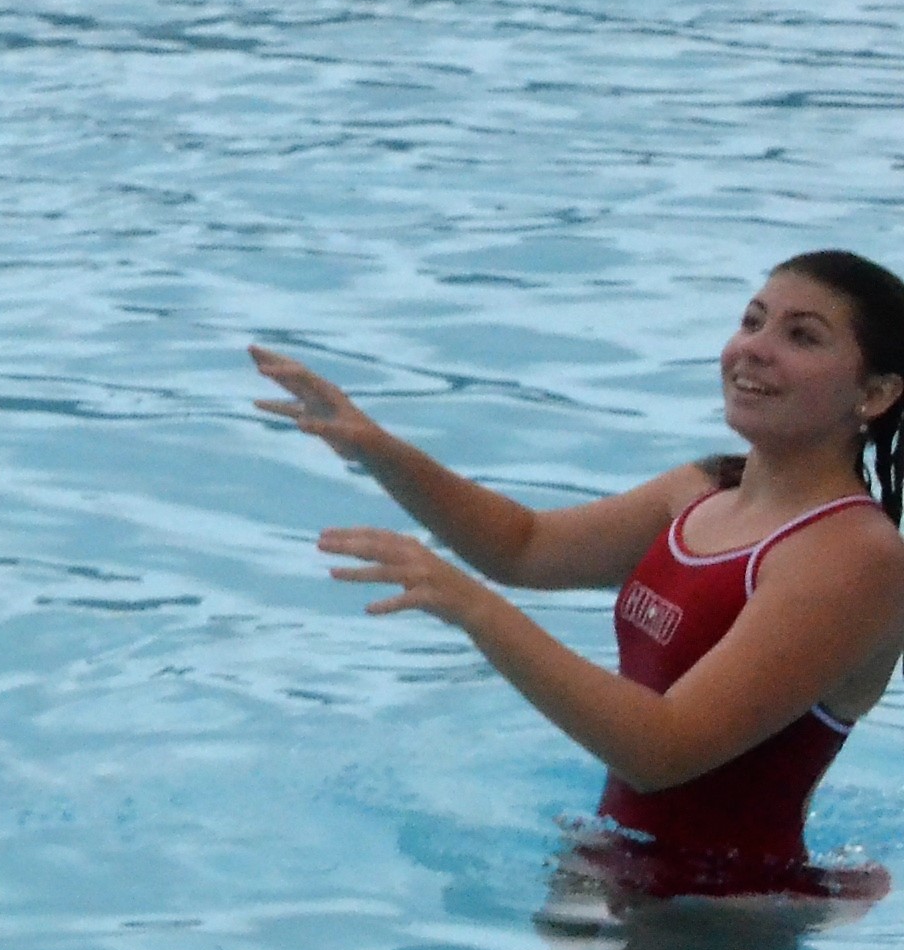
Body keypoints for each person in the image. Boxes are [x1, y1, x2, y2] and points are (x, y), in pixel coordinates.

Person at [256, 250, 904, 896]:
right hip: (607, 866)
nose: (756, 349)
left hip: (718, 915)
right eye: (753, 321)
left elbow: (663, 751)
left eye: (801, 336)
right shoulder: (702, 491)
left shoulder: (853, 556)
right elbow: (524, 546)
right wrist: (377, 448)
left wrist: (473, 609)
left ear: (875, 393)